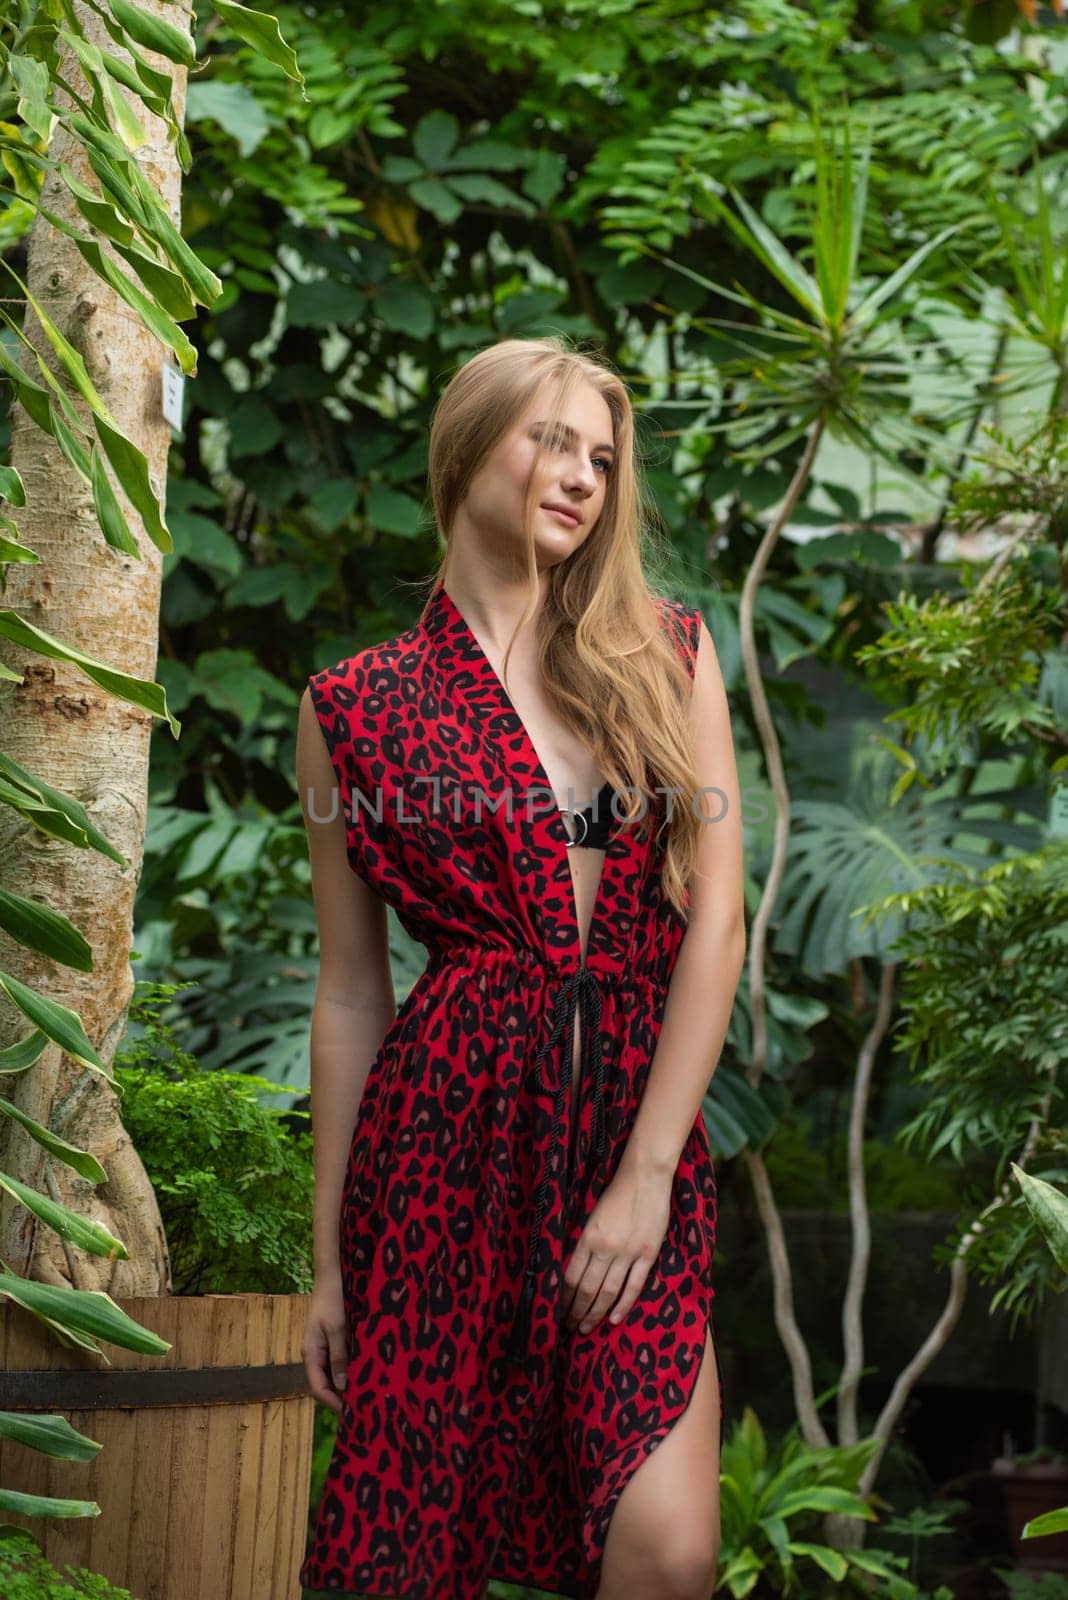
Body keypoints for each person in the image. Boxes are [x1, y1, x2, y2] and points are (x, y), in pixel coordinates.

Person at [296, 333, 746, 1600]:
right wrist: (333, 1261)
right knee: (409, 1552)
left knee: (669, 1550)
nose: (581, 475)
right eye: (551, 439)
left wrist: (650, 1171)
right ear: (466, 444)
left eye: (601, 456)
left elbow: (716, 923)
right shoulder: (358, 705)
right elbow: (350, 991)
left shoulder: (662, 651)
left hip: (624, 1138)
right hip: (447, 1149)